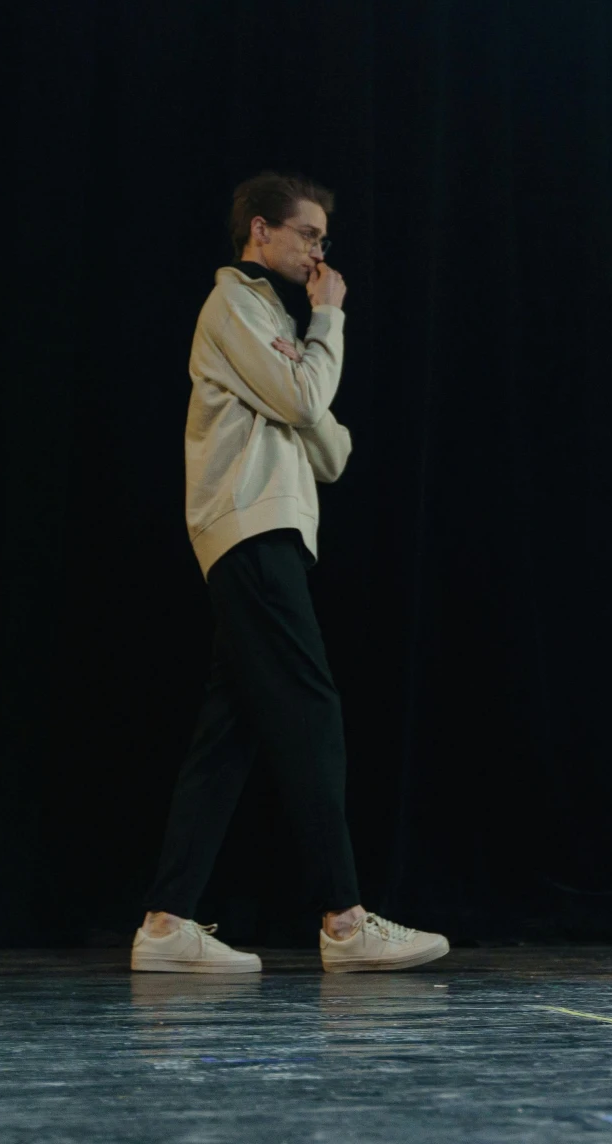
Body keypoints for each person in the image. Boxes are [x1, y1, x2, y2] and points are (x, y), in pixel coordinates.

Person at [131, 172, 449, 975]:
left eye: (322, 241)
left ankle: (166, 922)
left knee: (228, 733)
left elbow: (333, 450)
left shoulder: (270, 315)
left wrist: (306, 380)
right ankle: (345, 921)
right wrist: (329, 323)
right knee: (311, 709)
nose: (317, 251)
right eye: (306, 235)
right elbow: (310, 406)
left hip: (266, 527)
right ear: (261, 232)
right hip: (250, 528)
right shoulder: (235, 302)